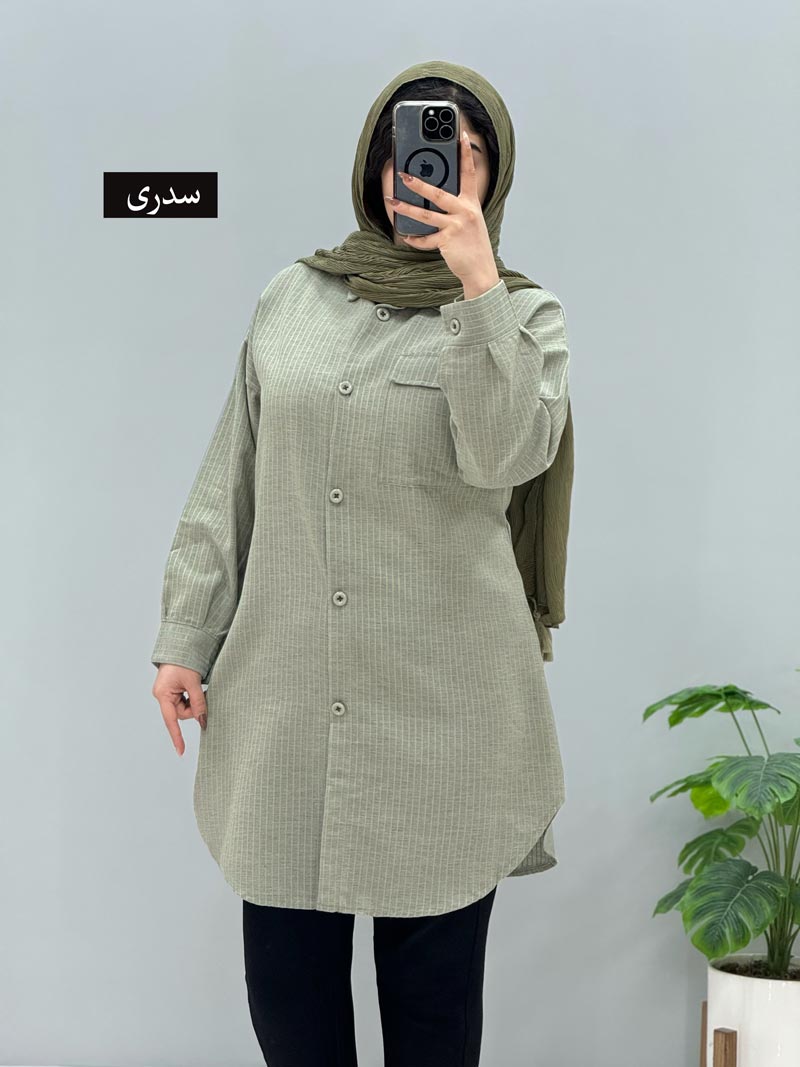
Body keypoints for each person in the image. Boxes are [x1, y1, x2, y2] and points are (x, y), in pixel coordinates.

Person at [150, 59, 571, 1067]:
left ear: (492, 175)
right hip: (287, 710)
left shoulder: (525, 316)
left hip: (444, 722)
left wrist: (476, 289)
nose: (427, 170)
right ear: (374, 166)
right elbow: (232, 475)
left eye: (463, 153)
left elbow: (507, 455)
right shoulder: (291, 298)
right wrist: (184, 636)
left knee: (433, 1026)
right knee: (289, 1016)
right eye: (408, 148)